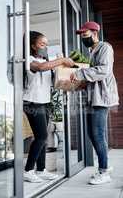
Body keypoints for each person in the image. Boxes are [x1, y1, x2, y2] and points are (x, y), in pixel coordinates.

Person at [70, 21, 119, 185]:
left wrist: (79, 73)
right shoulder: (92, 51)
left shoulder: (105, 47)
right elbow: (90, 77)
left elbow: (104, 70)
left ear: (94, 33)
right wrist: (79, 84)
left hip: (101, 97)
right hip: (93, 97)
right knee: (93, 134)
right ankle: (105, 165)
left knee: (97, 133)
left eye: (85, 35)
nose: (83, 38)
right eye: (82, 36)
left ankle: (104, 171)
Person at [23, 31, 74, 183]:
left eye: (47, 44)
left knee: (43, 137)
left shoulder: (46, 62)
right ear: (33, 46)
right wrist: (62, 60)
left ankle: (41, 169)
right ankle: (28, 170)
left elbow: (54, 78)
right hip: (32, 102)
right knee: (42, 136)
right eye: (42, 44)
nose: (45, 47)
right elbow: (40, 67)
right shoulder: (29, 60)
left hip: (44, 102)